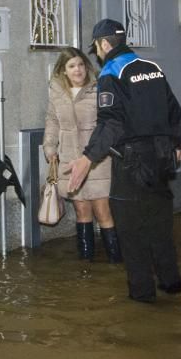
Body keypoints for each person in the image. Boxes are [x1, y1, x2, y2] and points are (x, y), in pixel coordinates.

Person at [68, 19, 181, 303]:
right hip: (161, 160)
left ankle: (142, 297)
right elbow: (174, 109)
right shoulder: (152, 68)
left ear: (105, 44)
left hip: (132, 163)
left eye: (97, 47)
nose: (97, 54)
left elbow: (112, 122)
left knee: (131, 233)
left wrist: (88, 158)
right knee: (160, 226)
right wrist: (178, 142)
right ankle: (171, 284)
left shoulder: (111, 73)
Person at [44, 48, 121, 263]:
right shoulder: (57, 92)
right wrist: (49, 148)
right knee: (81, 211)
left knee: (102, 210)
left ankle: (116, 262)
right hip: (69, 159)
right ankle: (86, 265)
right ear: (63, 71)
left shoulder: (99, 88)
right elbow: (51, 120)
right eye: (71, 66)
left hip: (97, 160)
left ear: (86, 66)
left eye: (80, 64)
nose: (77, 70)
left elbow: (110, 123)